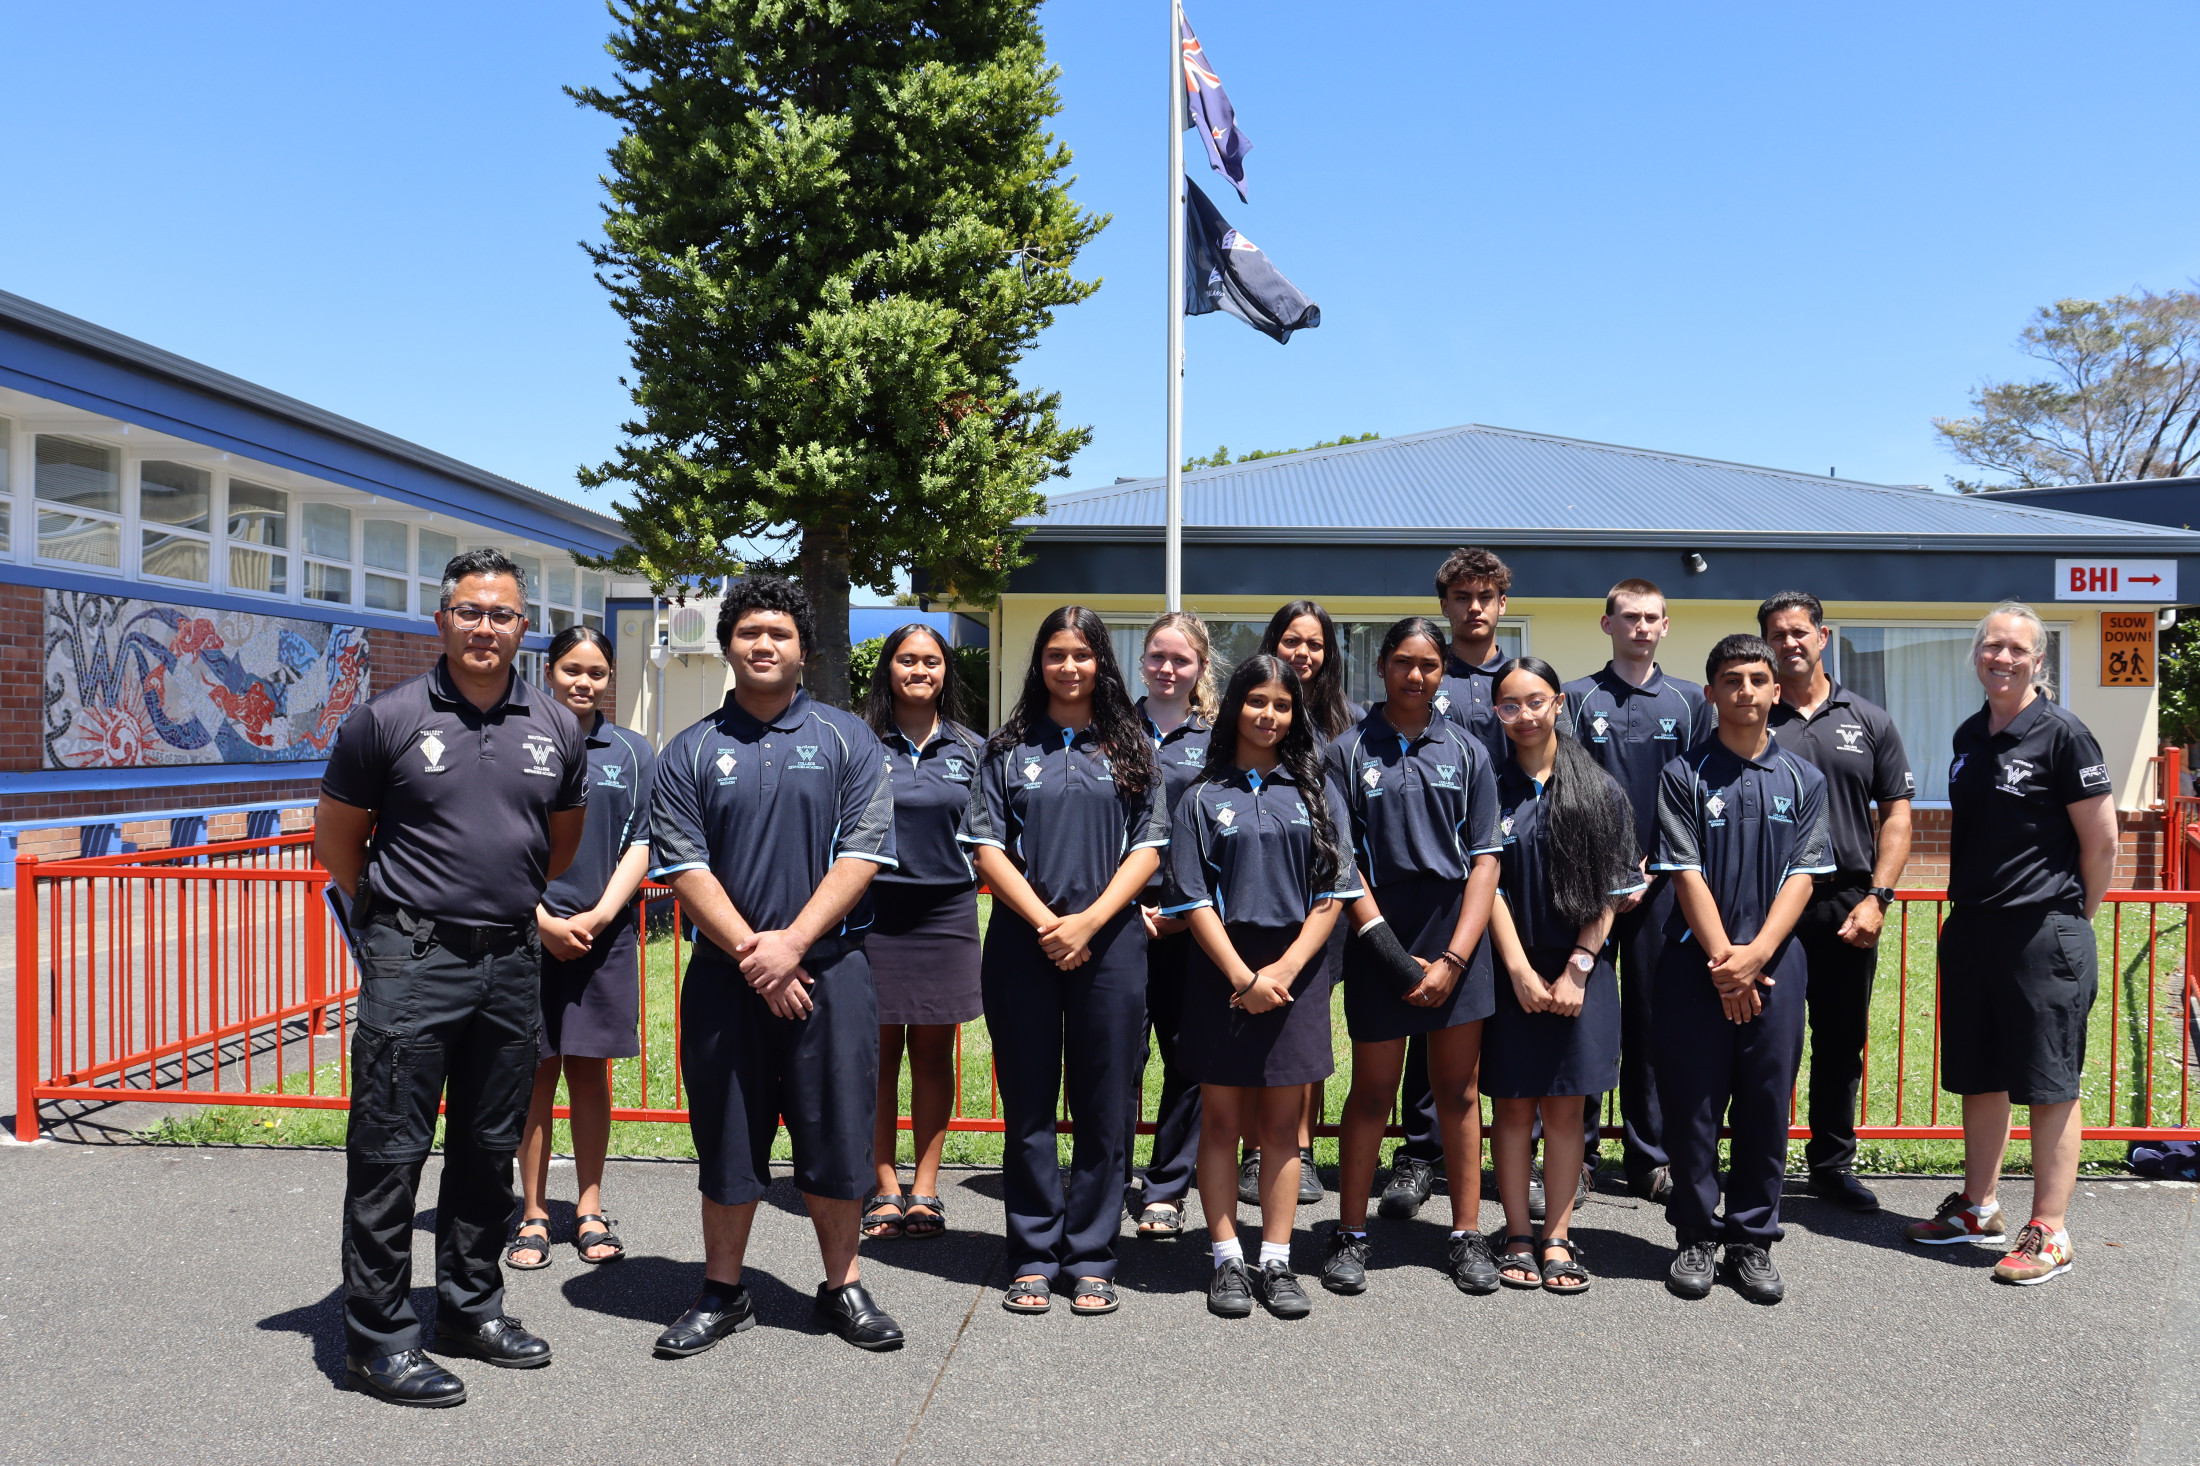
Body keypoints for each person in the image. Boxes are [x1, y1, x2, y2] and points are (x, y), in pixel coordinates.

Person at [315, 548, 590, 1407]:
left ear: (522, 628)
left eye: (502, 614)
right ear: (441, 619)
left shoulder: (555, 726)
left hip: (510, 957)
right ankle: (378, 1340)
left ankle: (469, 1311)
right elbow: (338, 841)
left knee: (486, 1148)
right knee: (391, 1150)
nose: (485, 627)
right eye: (469, 611)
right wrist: (401, 928)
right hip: (415, 958)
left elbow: (561, 840)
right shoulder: (384, 720)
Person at [647, 575, 905, 1355]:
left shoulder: (846, 740)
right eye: (750, 632)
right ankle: (722, 1292)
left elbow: (863, 854)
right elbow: (686, 869)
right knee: (727, 1139)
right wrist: (759, 957)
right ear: (727, 645)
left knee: (836, 1138)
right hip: (727, 982)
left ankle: (843, 1286)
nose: (764, 645)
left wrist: (790, 946)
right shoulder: (688, 751)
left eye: (780, 634)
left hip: (833, 975)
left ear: (803, 649)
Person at [962, 606, 1168, 1317]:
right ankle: (1031, 1253)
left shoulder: (1132, 746)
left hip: (1111, 948)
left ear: (1101, 662)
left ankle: (1090, 1256)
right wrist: (1051, 922)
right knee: (1028, 1107)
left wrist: (1088, 921)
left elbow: (1149, 847)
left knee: (1105, 1110)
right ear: (1039, 663)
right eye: (1056, 654)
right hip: (1025, 946)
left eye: (1083, 654)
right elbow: (986, 847)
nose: (1070, 666)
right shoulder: (1007, 749)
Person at [1902, 603, 2116, 1286]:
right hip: (1972, 927)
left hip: (2041, 930)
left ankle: (2049, 1230)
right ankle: (1977, 1205)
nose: (2001, 658)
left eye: (2016, 650)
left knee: (2049, 1082)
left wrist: (2072, 916)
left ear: (2039, 661)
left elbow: (2103, 842)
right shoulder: (1971, 734)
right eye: (1991, 647)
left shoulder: (2063, 735)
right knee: (1979, 1073)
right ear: (1976, 655)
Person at [1166, 655, 1362, 1318]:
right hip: (1223, 973)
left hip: (1295, 975)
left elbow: (1334, 892)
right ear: (1234, 708)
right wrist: (1244, 977)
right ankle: (1224, 1257)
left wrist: (1279, 973)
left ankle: (1275, 1260)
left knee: (1283, 1128)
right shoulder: (1199, 795)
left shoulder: (1317, 791)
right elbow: (1191, 898)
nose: (1268, 715)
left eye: (1282, 705)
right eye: (1257, 702)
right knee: (1220, 1125)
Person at [1320, 616, 1504, 1299]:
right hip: (1377, 936)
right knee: (1372, 1091)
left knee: (1458, 1092)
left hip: (1457, 932)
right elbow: (1342, 860)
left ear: (1443, 674)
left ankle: (1464, 1232)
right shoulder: (1343, 752)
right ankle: (1349, 1233)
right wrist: (1392, 956)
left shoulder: (1469, 751)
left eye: (1430, 665)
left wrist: (1455, 957)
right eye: (1404, 662)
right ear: (1382, 668)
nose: (1417, 675)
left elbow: (1486, 860)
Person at [1652, 633, 1833, 1306]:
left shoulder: (1803, 779)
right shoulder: (1683, 775)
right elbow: (1684, 872)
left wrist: (1754, 959)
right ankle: (1696, 1234)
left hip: (1776, 969)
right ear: (1711, 693)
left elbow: (1804, 877)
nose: (1746, 691)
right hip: (1694, 966)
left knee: (1764, 1106)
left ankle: (1753, 1239)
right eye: (1732, 680)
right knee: (1694, 1108)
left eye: (1759, 679)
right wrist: (1725, 960)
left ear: (1775, 690)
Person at [1483, 657, 1642, 1294]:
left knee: (1569, 1114)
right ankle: (1517, 1233)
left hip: (1583, 972)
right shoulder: (1485, 786)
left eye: (1536, 701)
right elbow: (1484, 883)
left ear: (1558, 705)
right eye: (1509, 705)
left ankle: (1557, 1236)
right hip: (1509, 972)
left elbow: (1612, 889)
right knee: (1515, 1109)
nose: (1524, 716)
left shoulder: (1599, 788)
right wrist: (1519, 968)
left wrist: (1578, 967)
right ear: (1497, 712)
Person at [1760, 590, 1915, 1214]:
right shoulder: (1751, 713)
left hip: (1848, 903)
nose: (1789, 643)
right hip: (1768, 905)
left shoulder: (1870, 719)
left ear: (1824, 637)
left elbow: (1897, 815)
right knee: (1766, 1040)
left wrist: (1879, 897)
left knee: (1839, 1040)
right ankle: (1755, 1163)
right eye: (1777, 635)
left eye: (1799, 632)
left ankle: (1830, 1165)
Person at [510, 626, 657, 1271]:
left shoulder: (632, 751)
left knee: (589, 1074)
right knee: (533, 1076)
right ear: (549, 673)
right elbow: (494, 841)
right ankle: (535, 1212)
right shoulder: (515, 743)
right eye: (571, 669)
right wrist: (539, 918)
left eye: (596, 672)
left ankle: (590, 1207)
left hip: (606, 934)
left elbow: (644, 841)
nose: (583, 682)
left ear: (609, 679)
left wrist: (599, 913)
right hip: (524, 931)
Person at [1562, 579, 1711, 1203]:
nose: (1642, 627)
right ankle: (1580, 1155)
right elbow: (1566, 790)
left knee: (1654, 1021)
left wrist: (1659, 867)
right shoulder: (1574, 698)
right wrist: (1612, 869)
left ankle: (1650, 1156)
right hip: (1592, 888)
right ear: (1607, 624)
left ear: (1666, 626)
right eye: (1630, 617)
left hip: (1663, 888)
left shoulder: (1690, 701)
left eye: (1653, 618)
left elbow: (1702, 793)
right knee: (1587, 1018)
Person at [1233, 599, 1361, 1211]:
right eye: (1292, 640)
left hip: (1321, 907)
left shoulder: (1346, 728)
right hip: (1252, 904)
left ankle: (1299, 1149)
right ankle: (1256, 1150)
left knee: (1304, 1030)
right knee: (1252, 1021)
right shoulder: (1241, 716)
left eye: (1315, 644)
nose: (1303, 653)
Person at [860, 623, 985, 1243]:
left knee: (934, 1055)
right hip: (874, 915)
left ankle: (927, 1188)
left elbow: (992, 835)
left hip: (947, 916)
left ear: (944, 672)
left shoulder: (972, 748)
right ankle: (884, 1185)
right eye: (907, 659)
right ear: (889, 668)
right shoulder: (858, 742)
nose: (919, 670)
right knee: (878, 1058)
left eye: (931, 661)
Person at [1125, 612, 1217, 1242]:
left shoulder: (1217, 741)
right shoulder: (1111, 731)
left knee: (1187, 1057)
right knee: (1116, 1057)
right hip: (1117, 917)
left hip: (1189, 920)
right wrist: (1123, 905)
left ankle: (1166, 1186)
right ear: (1141, 660)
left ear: (1199, 669)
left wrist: (1184, 912)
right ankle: (1106, 1175)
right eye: (1157, 656)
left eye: (1180, 660)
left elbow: (1219, 835)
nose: (1166, 669)